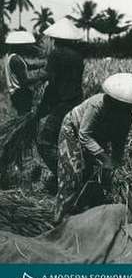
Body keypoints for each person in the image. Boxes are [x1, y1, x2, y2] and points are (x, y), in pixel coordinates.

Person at [55, 72, 132, 222]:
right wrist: (104, 157)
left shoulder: (127, 113)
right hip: (73, 130)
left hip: (99, 136)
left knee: (97, 175)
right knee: (72, 174)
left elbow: (119, 140)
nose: (129, 108)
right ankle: (60, 219)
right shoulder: (98, 104)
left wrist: (115, 163)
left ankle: (87, 212)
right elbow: (84, 135)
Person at [36, 18, 84, 179]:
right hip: (76, 102)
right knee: (67, 142)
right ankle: (71, 174)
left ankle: (66, 177)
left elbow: (49, 78)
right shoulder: (78, 56)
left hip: (63, 104)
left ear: (55, 38)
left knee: (44, 143)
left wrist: (28, 79)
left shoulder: (57, 54)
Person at [4, 30, 45, 115]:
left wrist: (43, 64)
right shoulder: (16, 60)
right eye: (26, 45)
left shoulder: (12, 56)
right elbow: (25, 81)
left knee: (22, 117)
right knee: (25, 118)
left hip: (16, 93)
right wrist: (42, 76)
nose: (28, 47)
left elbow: (28, 65)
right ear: (20, 46)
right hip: (21, 93)